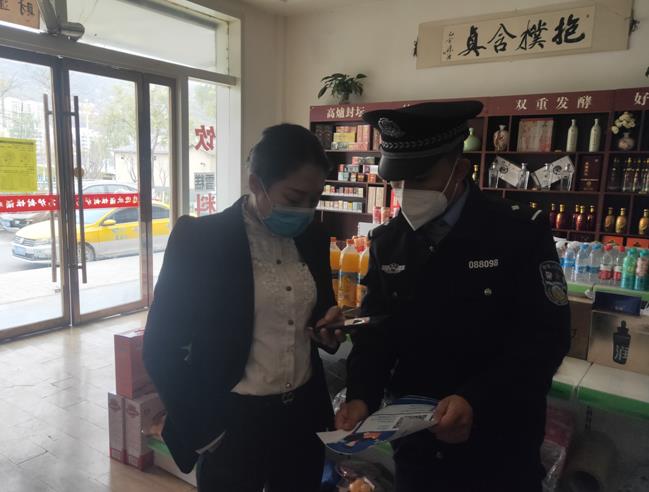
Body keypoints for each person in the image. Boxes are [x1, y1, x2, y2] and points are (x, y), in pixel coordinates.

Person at [335, 101, 571, 492]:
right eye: (397, 180)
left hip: (498, 445)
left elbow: (546, 339)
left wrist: (475, 400)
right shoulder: (389, 242)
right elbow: (377, 331)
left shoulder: (517, 233)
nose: (406, 192)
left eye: (419, 178)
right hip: (419, 448)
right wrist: (361, 395)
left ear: (459, 170)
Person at [143, 123, 345, 492]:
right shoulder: (201, 239)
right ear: (256, 184)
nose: (304, 210)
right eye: (294, 197)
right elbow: (159, 346)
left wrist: (327, 327)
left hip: (302, 417)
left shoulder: (313, 236)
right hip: (232, 422)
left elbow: (319, 310)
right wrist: (204, 432)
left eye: (314, 199)